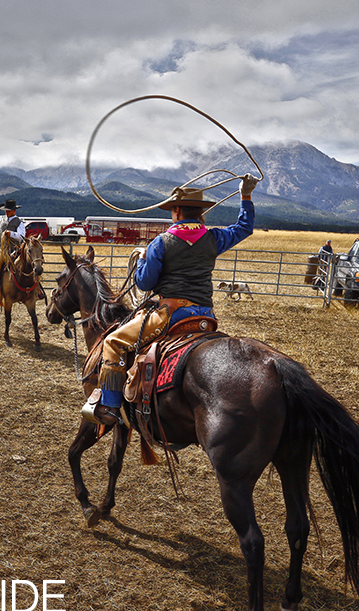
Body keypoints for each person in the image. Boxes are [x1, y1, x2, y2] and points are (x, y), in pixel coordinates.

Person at [83, 175, 257, 426]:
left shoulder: (161, 243)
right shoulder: (214, 238)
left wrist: (143, 259)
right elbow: (244, 228)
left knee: (114, 342)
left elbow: (144, 283)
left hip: (169, 314)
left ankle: (110, 406)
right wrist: (246, 196)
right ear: (200, 212)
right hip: (204, 315)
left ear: (176, 211)